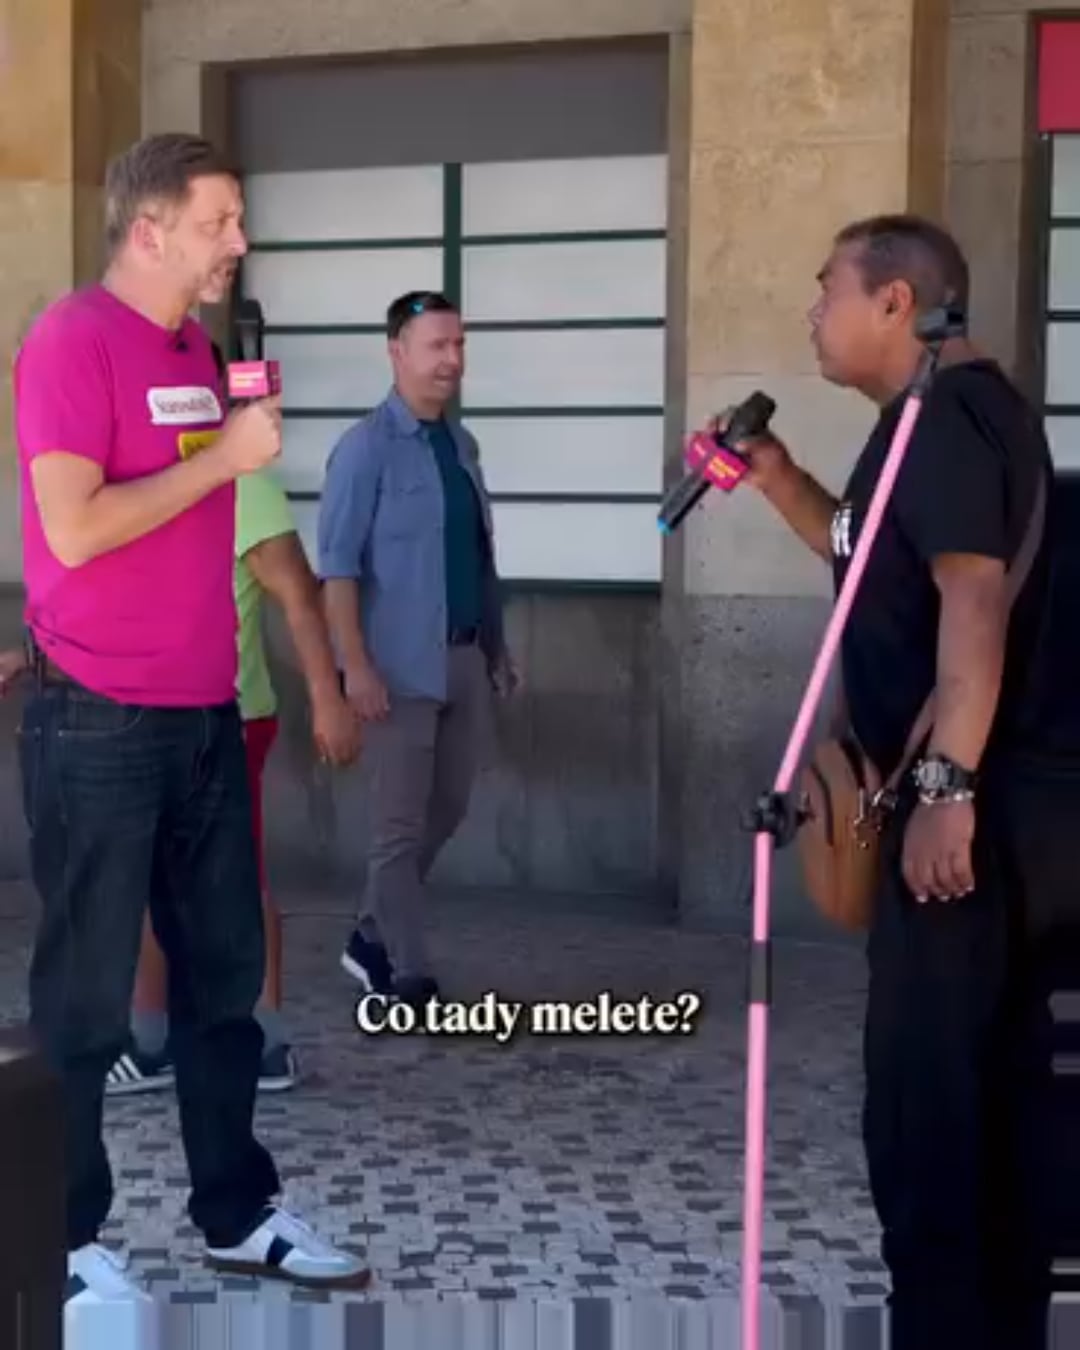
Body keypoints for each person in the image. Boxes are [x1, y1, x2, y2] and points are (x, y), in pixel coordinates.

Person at [13, 131, 368, 1305]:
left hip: (205, 713)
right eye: (219, 222)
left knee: (223, 986)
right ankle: (58, 1240)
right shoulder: (71, 340)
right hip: (97, 721)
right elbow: (74, 528)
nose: (239, 243)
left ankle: (238, 1211)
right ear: (148, 230)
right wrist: (224, 462)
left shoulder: (202, 352)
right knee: (86, 998)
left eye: (238, 220)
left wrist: (231, 446)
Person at [729, 214, 1062, 1349]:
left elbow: (971, 601)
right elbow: (872, 558)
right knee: (972, 1094)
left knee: (933, 1107)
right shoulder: (927, 421)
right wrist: (778, 478)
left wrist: (945, 788)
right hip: (976, 807)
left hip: (972, 822)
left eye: (828, 290)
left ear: (896, 304)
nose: (812, 313)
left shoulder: (952, 419)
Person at [107, 459, 361, 1098]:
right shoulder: (143, 479)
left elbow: (299, 598)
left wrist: (328, 698)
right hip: (150, 712)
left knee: (238, 873)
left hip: (231, 717)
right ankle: (152, 1036)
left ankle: (264, 1035)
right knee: (149, 873)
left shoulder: (246, 487)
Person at [319, 290, 517, 1006]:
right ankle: (407, 971)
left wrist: (497, 645)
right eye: (437, 346)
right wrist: (354, 667)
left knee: (449, 808)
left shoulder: (461, 446)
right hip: (395, 670)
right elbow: (337, 568)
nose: (451, 360)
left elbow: (479, 555)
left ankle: (369, 932)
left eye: (459, 345)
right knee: (398, 829)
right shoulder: (364, 449)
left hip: (462, 657)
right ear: (396, 352)